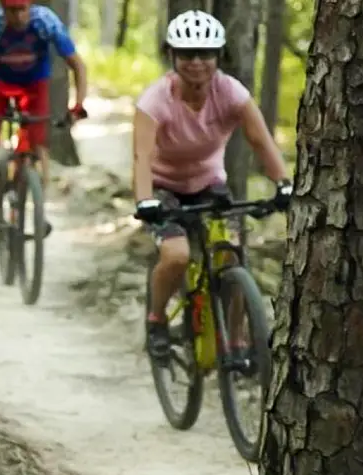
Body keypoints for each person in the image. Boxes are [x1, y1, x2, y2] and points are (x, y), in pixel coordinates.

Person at [131, 10, 291, 365]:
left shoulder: (232, 92)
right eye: (187, 54)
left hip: (209, 184)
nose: (197, 62)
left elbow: (261, 142)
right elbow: (141, 157)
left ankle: (235, 343)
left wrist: (283, 185)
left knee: (232, 258)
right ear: (172, 55)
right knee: (176, 256)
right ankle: (156, 321)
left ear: (219, 55)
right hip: (162, 188)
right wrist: (145, 201)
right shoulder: (155, 100)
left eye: (206, 53)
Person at [0, 0, 88, 240]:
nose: (16, 16)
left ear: (30, 7)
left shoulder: (45, 23)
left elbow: (77, 65)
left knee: (39, 144)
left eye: (21, 10)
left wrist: (79, 104)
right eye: (10, 10)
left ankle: (40, 209)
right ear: (2, 9)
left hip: (34, 85)